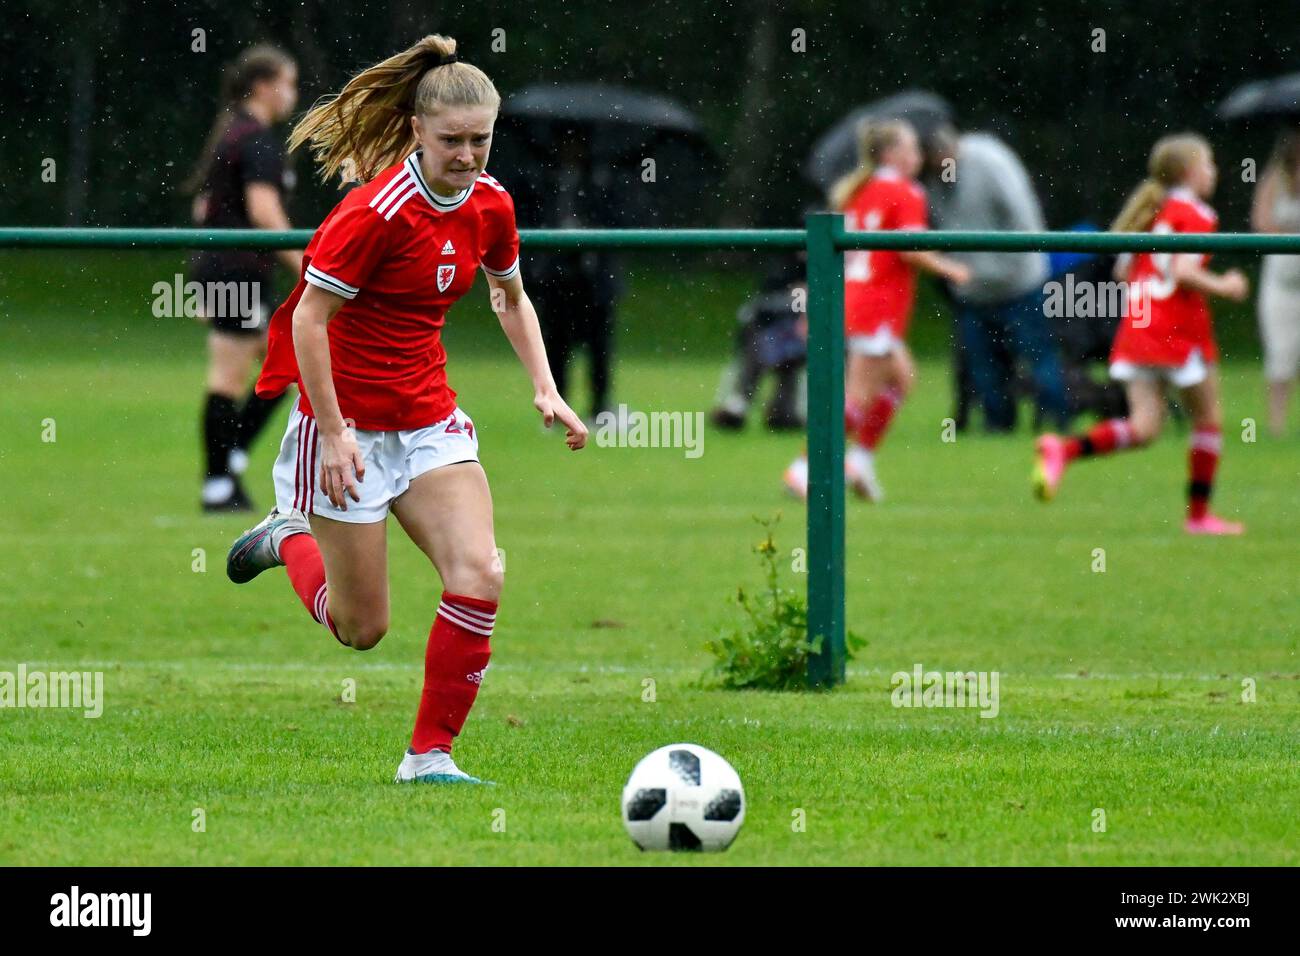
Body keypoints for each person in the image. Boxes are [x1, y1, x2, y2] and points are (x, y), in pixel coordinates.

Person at [223, 35, 588, 784]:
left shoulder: (491, 203)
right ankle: (284, 536)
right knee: (362, 629)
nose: (467, 155)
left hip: (428, 424)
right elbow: (306, 321)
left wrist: (546, 386)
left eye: (480, 139)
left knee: (480, 571)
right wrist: (330, 432)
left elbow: (509, 296)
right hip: (344, 427)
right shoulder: (376, 213)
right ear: (416, 131)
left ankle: (429, 757)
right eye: (451, 140)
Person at [1033, 133, 1249, 535]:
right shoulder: (1197, 214)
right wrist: (1227, 286)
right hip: (1177, 332)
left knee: (1145, 428)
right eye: (1208, 164)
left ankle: (1062, 449)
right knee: (1209, 419)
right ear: (1189, 172)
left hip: (1138, 326)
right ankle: (1199, 517)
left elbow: (1120, 272)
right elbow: (1184, 272)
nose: (1213, 173)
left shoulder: (1149, 212)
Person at [784, 119, 969, 501]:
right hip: (877, 305)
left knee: (901, 379)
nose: (918, 156)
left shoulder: (858, 190)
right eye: (912, 148)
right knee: (857, 398)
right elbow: (908, 248)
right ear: (891, 155)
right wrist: (950, 268)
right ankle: (804, 467)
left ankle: (861, 462)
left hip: (853, 299)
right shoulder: (905, 192)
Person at [184, 45, 302, 512]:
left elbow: (202, 209)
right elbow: (264, 211)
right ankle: (217, 483)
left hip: (227, 270)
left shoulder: (232, 134)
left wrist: (202, 277)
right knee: (230, 378)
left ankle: (227, 461)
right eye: (290, 83)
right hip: (236, 272)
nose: (293, 94)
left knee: (286, 369)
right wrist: (310, 265)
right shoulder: (254, 140)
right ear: (265, 86)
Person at [923, 123, 1070, 432]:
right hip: (973, 292)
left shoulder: (990, 161)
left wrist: (1003, 267)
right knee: (985, 371)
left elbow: (1023, 217)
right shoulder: (936, 178)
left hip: (1018, 284)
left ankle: (1058, 424)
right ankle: (999, 428)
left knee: (1040, 360)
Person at [1251, 127, 1300, 436]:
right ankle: (1276, 424)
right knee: (1279, 353)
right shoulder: (1273, 179)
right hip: (1280, 279)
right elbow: (1261, 223)